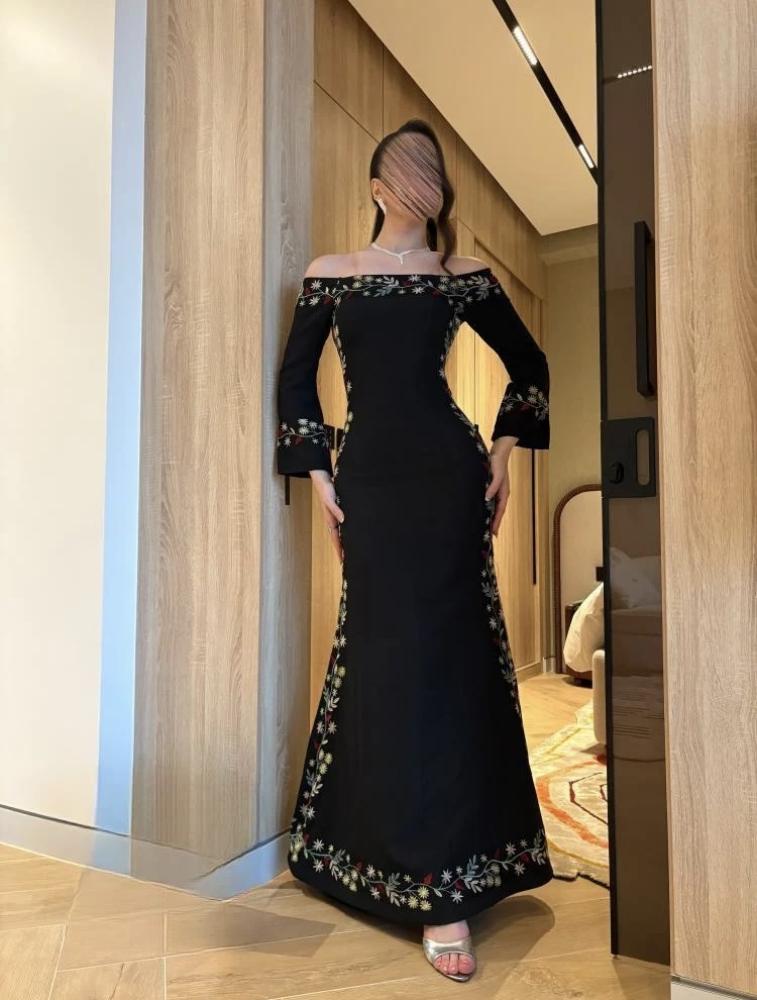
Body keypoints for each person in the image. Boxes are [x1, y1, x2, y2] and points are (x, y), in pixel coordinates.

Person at [275, 118, 553, 983]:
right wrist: (317, 474)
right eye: (403, 171)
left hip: (447, 478)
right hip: (368, 480)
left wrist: (502, 454)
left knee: (448, 657)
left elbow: (530, 365)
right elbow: (294, 380)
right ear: (375, 187)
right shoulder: (330, 274)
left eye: (429, 171)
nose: (418, 183)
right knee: (381, 659)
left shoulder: (462, 275)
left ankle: (447, 887)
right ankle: (365, 851)